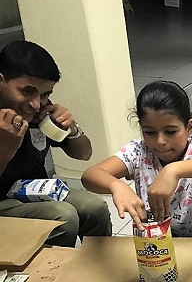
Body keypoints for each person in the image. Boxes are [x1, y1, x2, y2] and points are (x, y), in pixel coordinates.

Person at [81, 81, 192, 237]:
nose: (160, 141)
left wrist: (173, 170)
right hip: (155, 246)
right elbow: (90, 175)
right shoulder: (137, 152)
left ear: (189, 128)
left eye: (170, 132)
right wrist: (116, 186)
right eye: (150, 132)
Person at [0, 41, 111, 247]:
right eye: (27, 91)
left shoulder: (38, 114)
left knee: (95, 207)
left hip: (36, 192)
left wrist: (73, 129)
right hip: (3, 202)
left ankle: (95, 271)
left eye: (45, 94)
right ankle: (52, 274)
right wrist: (5, 149)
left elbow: (84, 153)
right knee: (63, 216)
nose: (36, 103)